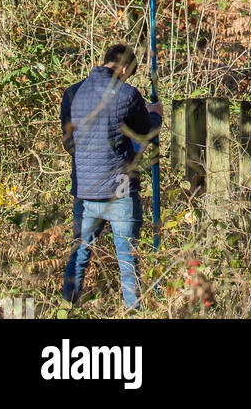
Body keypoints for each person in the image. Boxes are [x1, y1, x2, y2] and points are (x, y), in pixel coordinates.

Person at [61, 43, 162, 313]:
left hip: (85, 192)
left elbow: (69, 144)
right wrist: (155, 115)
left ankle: (63, 312)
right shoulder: (128, 94)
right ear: (126, 68)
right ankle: (134, 315)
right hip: (120, 192)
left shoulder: (72, 94)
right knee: (128, 263)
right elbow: (146, 136)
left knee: (78, 259)